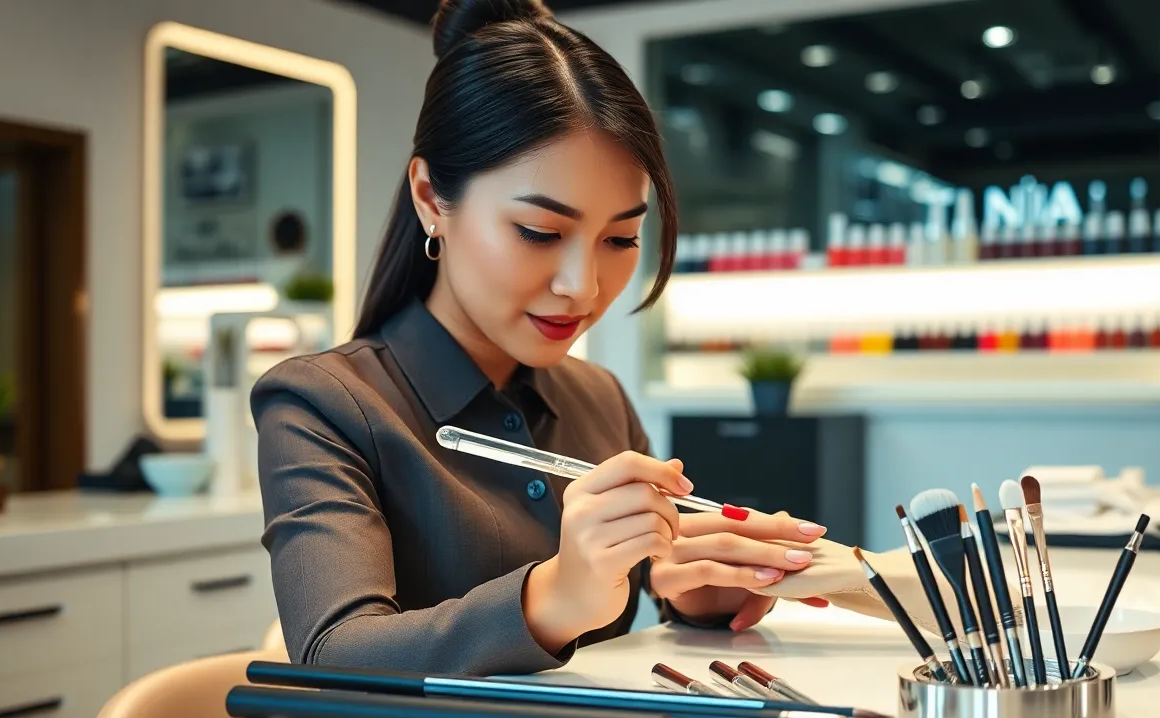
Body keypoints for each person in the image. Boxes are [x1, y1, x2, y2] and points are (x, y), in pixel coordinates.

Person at [252, 0, 827, 677]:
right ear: (431, 197)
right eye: (540, 232)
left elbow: (650, 582)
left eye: (621, 238)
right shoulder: (322, 405)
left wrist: (695, 588)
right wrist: (554, 597)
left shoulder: (597, 398)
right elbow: (332, 656)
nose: (583, 286)